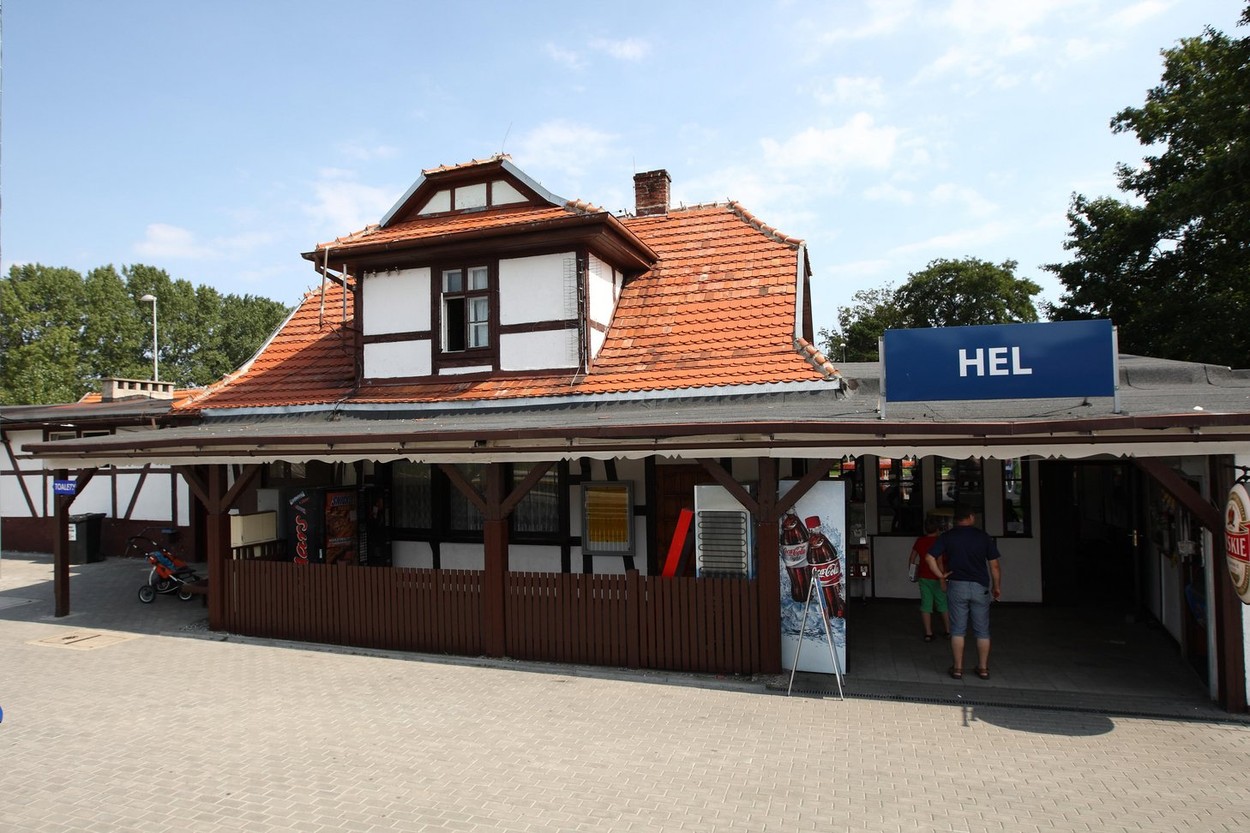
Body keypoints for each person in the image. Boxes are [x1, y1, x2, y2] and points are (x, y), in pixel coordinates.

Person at [925, 503, 1002, 680]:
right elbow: (995, 566)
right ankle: (983, 668)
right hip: (980, 587)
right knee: (982, 631)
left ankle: (958, 668)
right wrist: (996, 587)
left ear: (955, 519)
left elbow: (929, 557)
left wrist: (941, 576)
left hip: (957, 586)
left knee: (958, 630)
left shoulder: (947, 536)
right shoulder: (983, 537)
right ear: (971, 517)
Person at [908, 517, 949, 641]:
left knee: (926, 605)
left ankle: (928, 633)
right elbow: (940, 562)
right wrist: (942, 578)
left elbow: (912, 558)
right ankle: (948, 631)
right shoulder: (940, 541)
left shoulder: (920, 541)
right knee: (943, 604)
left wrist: (912, 572)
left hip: (923, 577)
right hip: (937, 577)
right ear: (938, 529)